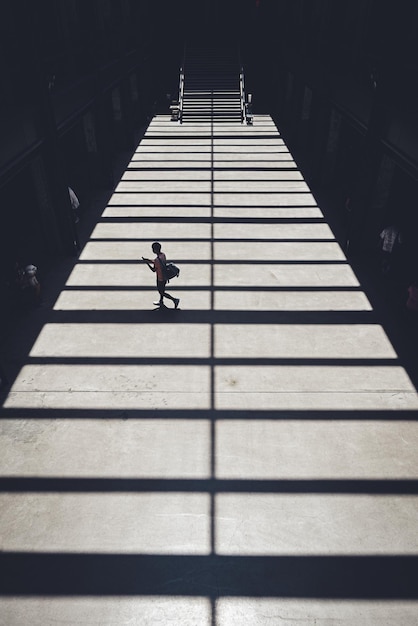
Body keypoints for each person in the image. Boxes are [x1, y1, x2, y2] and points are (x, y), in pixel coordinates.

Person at [142, 242, 180, 309]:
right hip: (165, 276)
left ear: (155, 250)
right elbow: (158, 262)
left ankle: (174, 300)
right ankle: (161, 301)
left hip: (160, 278)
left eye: (153, 249)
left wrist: (147, 263)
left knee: (161, 292)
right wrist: (148, 260)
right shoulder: (163, 255)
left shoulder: (157, 260)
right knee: (162, 290)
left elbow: (153, 270)